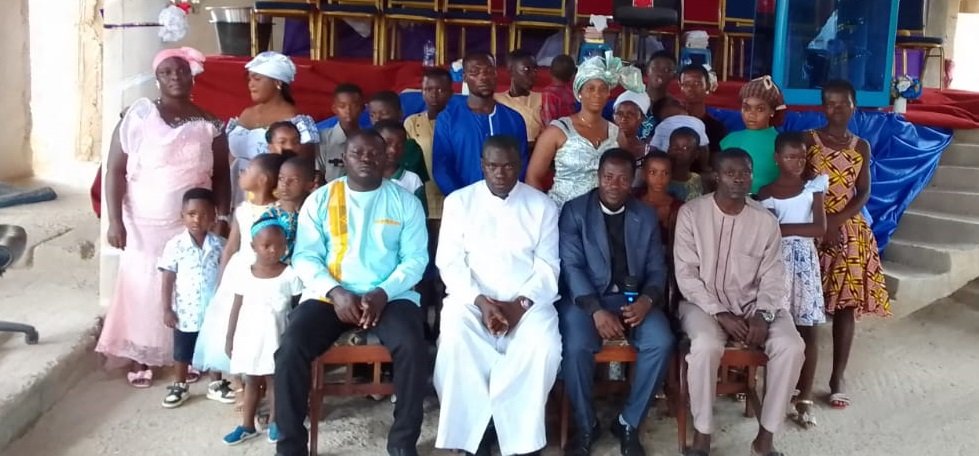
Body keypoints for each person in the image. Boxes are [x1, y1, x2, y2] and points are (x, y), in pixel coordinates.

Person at [275, 129, 429, 456]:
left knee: (414, 347)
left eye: (374, 153)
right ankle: (290, 446)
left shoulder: (403, 201)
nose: (366, 159)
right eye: (358, 153)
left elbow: (416, 259)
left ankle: (402, 442)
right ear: (344, 158)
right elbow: (304, 256)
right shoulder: (320, 199)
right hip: (329, 295)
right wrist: (335, 292)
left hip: (390, 296)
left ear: (387, 157)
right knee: (290, 349)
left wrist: (383, 292)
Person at [96, 47, 231, 388]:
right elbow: (114, 169)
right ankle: (142, 354)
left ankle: (183, 356)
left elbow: (221, 179)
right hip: (143, 219)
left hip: (191, 222)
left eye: (181, 71)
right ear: (157, 78)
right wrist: (115, 220)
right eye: (167, 72)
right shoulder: (139, 115)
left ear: (192, 76)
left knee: (188, 286)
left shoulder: (211, 124)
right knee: (144, 284)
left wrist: (223, 216)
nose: (175, 77)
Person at [434, 135, 562, 456]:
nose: (500, 173)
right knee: (455, 341)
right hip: (471, 302)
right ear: (482, 166)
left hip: (526, 304)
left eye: (507, 166)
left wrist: (519, 306)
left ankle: (520, 438)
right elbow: (449, 262)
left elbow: (548, 266)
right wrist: (481, 303)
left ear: (519, 164)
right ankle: (472, 436)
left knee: (544, 346)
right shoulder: (458, 203)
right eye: (492, 166)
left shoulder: (542, 206)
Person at [673, 149, 804, 456]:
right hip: (703, 303)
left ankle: (766, 437)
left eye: (744, 173)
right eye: (730, 173)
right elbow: (686, 275)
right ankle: (703, 434)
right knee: (705, 346)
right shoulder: (692, 213)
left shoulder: (765, 220)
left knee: (792, 346)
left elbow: (774, 275)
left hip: (753, 305)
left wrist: (763, 313)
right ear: (716, 177)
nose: (739, 179)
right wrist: (720, 313)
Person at [558, 148, 674, 456]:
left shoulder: (644, 215)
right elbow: (571, 266)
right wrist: (596, 311)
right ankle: (586, 425)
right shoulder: (575, 211)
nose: (614, 184)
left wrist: (648, 300)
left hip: (633, 300)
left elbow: (656, 267)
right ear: (598, 177)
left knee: (661, 341)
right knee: (576, 347)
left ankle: (628, 421)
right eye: (608, 177)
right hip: (586, 302)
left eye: (623, 179)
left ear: (632, 181)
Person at [804, 80, 890, 410]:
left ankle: (837, 377)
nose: (836, 109)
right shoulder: (808, 140)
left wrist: (836, 222)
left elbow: (864, 192)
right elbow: (801, 183)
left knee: (845, 306)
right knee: (805, 306)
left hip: (848, 229)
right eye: (829, 103)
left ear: (854, 105)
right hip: (811, 224)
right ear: (822, 107)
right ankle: (802, 379)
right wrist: (820, 223)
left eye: (843, 103)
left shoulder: (861, 146)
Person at [193, 154, 286, 403]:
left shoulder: (279, 211)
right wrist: (222, 278)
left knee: (259, 329)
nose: (241, 175)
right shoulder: (243, 210)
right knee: (231, 326)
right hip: (240, 271)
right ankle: (241, 387)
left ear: (263, 179)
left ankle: (262, 390)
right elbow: (231, 246)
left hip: (265, 274)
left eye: (247, 171)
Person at [757, 132, 828, 429]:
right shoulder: (766, 192)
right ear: (777, 158)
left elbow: (819, 228)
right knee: (775, 327)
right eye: (789, 156)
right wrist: (797, 229)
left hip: (805, 266)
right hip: (775, 265)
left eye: (801, 156)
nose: (797, 162)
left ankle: (805, 397)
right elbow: (768, 233)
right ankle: (775, 392)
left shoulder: (813, 188)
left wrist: (783, 228)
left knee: (808, 330)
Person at [222, 218, 303, 445]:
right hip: (250, 338)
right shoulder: (245, 273)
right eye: (266, 245)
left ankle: (276, 423)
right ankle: (247, 425)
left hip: (277, 337)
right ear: (253, 247)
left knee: (274, 381)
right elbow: (236, 306)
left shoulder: (290, 275)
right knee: (251, 380)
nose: (273, 250)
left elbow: (298, 307)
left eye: (279, 245)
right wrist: (230, 338)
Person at [527, 52, 643, 207]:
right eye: (590, 88)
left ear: (608, 93)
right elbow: (532, 177)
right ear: (579, 93)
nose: (597, 94)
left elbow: (625, 176)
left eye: (602, 89)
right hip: (561, 214)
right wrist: (547, 213)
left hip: (602, 219)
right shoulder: (558, 131)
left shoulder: (616, 134)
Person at [158, 188, 225, 408]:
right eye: (192, 214)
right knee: (182, 351)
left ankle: (216, 384)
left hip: (213, 308)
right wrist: (167, 308)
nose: (198, 219)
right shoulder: (175, 246)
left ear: (214, 216)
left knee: (214, 346)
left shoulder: (219, 245)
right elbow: (168, 277)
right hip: (186, 310)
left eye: (205, 214)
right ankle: (180, 384)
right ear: (182, 216)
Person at [227, 51, 319, 205]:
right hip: (237, 192)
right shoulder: (245, 114)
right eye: (249, 79)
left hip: (273, 197)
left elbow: (303, 167)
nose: (251, 84)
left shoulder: (296, 120)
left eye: (257, 79)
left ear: (278, 82)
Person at [433, 53, 528, 196]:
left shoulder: (514, 119)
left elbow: (521, 163)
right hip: (464, 204)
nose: (483, 77)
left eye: (489, 71)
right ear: (464, 77)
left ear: (496, 74)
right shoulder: (448, 119)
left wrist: (506, 196)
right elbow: (441, 167)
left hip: (507, 203)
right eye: (474, 72)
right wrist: (463, 199)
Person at [719, 76, 786, 194]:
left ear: (772, 111)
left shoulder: (782, 143)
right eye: (746, 108)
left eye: (760, 109)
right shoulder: (728, 140)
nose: (751, 114)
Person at [262, 155, 316, 262]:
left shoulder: (314, 213)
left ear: (310, 185)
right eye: (281, 178)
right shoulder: (270, 215)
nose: (285, 184)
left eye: (294, 180)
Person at [368, 90, 430, 184]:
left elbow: (420, 183)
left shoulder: (412, 148)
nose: (377, 119)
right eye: (372, 115)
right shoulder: (365, 145)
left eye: (384, 113)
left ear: (400, 114)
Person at [495, 50, 544, 148]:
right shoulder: (497, 100)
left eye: (535, 70)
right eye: (526, 69)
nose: (533, 75)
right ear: (510, 71)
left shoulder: (543, 99)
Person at [376, 119, 428, 211]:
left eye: (400, 145)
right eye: (387, 143)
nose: (393, 150)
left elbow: (421, 216)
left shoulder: (412, 180)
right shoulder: (363, 177)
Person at [318, 83, 365, 183]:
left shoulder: (369, 140)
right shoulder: (323, 139)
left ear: (362, 108)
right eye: (342, 106)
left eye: (354, 105)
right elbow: (318, 176)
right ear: (334, 109)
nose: (348, 110)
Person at [677, 64, 727, 155]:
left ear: (707, 86)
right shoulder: (674, 123)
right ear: (680, 86)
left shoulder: (717, 129)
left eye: (697, 83)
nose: (691, 88)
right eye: (687, 84)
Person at [638, 153, 684, 248]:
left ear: (671, 175)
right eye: (652, 172)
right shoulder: (633, 201)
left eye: (665, 173)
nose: (659, 179)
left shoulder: (679, 208)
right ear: (643, 174)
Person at [638, 50, 677, 142]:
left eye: (667, 70)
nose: (660, 73)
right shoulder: (633, 100)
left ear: (673, 75)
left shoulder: (674, 106)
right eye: (655, 68)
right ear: (647, 70)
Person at [665, 127, 706, 202]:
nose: (679, 151)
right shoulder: (660, 181)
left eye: (685, 148)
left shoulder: (698, 180)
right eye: (674, 147)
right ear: (668, 150)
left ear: (696, 154)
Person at [612, 90, 652, 163]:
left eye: (630, 114)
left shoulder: (649, 151)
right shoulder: (603, 146)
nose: (623, 119)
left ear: (642, 119)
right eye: (619, 113)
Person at [541, 54, 576, 126]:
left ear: (550, 71)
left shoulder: (549, 93)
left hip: (557, 132)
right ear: (573, 74)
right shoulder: (573, 90)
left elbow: (549, 120)